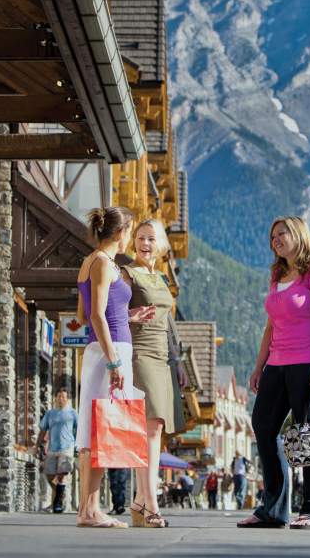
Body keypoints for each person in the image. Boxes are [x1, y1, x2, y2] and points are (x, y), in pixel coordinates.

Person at [238, 216, 310, 530]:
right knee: (263, 426)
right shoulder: (277, 274)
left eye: (282, 233)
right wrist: (258, 367)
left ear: (298, 235)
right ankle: (274, 508)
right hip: (277, 363)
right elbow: (270, 326)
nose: (276, 240)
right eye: (273, 236)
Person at [74, 206, 148, 529]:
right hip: (111, 351)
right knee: (105, 430)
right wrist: (115, 361)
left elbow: (82, 312)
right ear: (121, 234)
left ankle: (88, 509)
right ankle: (91, 511)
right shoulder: (105, 264)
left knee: (93, 430)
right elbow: (96, 315)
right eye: (130, 231)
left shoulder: (87, 263)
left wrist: (129, 317)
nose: (129, 237)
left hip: (99, 349)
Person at [121, 219, 176, 528]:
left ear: (161, 245)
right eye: (141, 238)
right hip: (140, 353)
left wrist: (177, 363)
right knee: (150, 429)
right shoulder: (130, 274)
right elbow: (110, 310)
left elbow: (168, 323)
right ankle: (151, 502)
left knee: (155, 430)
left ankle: (140, 501)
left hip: (162, 358)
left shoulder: (161, 278)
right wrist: (131, 314)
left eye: (151, 239)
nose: (145, 243)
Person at [37, 389, 78, 513]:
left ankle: (58, 503)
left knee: (61, 475)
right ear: (55, 398)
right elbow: (43, 429)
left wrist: (78, 446)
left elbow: (79, 430)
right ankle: (60, 494)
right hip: (52, 449)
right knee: (49, 475)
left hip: (67, 448)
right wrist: (38, 444)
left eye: (64, 397)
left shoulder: (73, 413)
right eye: (59, 397)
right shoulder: (50, 413)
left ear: (67, 399)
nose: (61, 399)